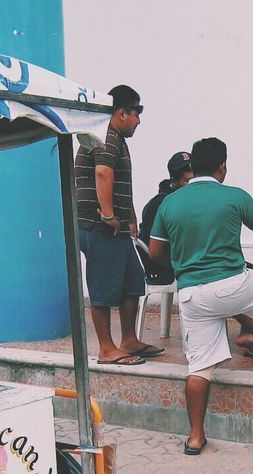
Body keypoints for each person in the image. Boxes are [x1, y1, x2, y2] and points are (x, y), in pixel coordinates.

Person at [149, 137, 253, 455]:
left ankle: (195, 437)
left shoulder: (169, 202)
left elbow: (156, 252)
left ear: (192, 166)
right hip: (233, 284)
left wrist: (184, 262)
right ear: (222, 166)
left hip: (192, 294)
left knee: (199, 367)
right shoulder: (234, 196)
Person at [75, 84, 162, 366]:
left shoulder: (111, 137)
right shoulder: (107, 136)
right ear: (121, 113)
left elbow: (117, 180)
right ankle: (106, 348)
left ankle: (128, 340)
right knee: (102, 285)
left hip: (116, 227)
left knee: (132, 280)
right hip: (101, 226)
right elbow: (102, 172)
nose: (139, 121)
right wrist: (109, 214)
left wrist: (130, 215)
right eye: (136, 114)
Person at [137, 151, 192, 285]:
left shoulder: (187, 199)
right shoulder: (160, 204)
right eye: (188, 181)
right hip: (164, 268)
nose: (193, 185)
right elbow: (155, 250)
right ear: (174, 181)